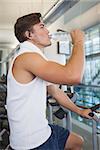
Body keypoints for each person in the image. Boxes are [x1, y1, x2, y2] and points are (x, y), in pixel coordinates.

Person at [7, 13, 92, 150]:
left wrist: (79, 111)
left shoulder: (36, 58)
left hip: (43, 129)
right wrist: (79, 41)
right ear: (29, 34)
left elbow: (55, 91)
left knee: (77, 142)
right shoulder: (27, 58)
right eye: (42, 27)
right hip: (32, 141)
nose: (47, 31)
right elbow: (73, 76)